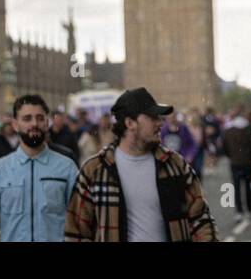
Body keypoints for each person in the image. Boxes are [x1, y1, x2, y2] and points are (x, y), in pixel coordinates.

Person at [65, 88, 216, 242]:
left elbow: (201, 220)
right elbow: (76, 231)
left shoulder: (175, 164)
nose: (160, 122)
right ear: (130, 123)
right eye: (153, 117)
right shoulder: (94, 171)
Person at [0, 94, 79, 242]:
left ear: (47, 123)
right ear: (15, 124)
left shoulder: (66, 168)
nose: (34, 123)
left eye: (40, 118)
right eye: (27, 119)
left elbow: (82, 219)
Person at [222, 107, 251, 219]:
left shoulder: (228, 130)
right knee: (247, 187)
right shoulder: (249, 129)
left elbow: (224, 147)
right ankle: (250, 210)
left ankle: (239, 211)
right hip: (247, 162)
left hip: (234, 162)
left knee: (236, 187)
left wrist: (231, 156)